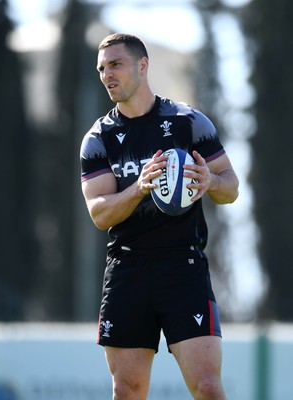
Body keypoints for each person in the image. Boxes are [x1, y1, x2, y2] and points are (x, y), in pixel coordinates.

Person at [80, 33, 239, 400]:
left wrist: (211, 179)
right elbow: (99, 213)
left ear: (142, 65)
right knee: (128, 391)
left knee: (209, 387)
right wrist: (139, 187)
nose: (107, 75)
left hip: (183, 266)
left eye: (116, 64)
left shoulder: (188, 122)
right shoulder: (98, 139)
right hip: (128, 269)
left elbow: (231, 188)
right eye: (102, 69)